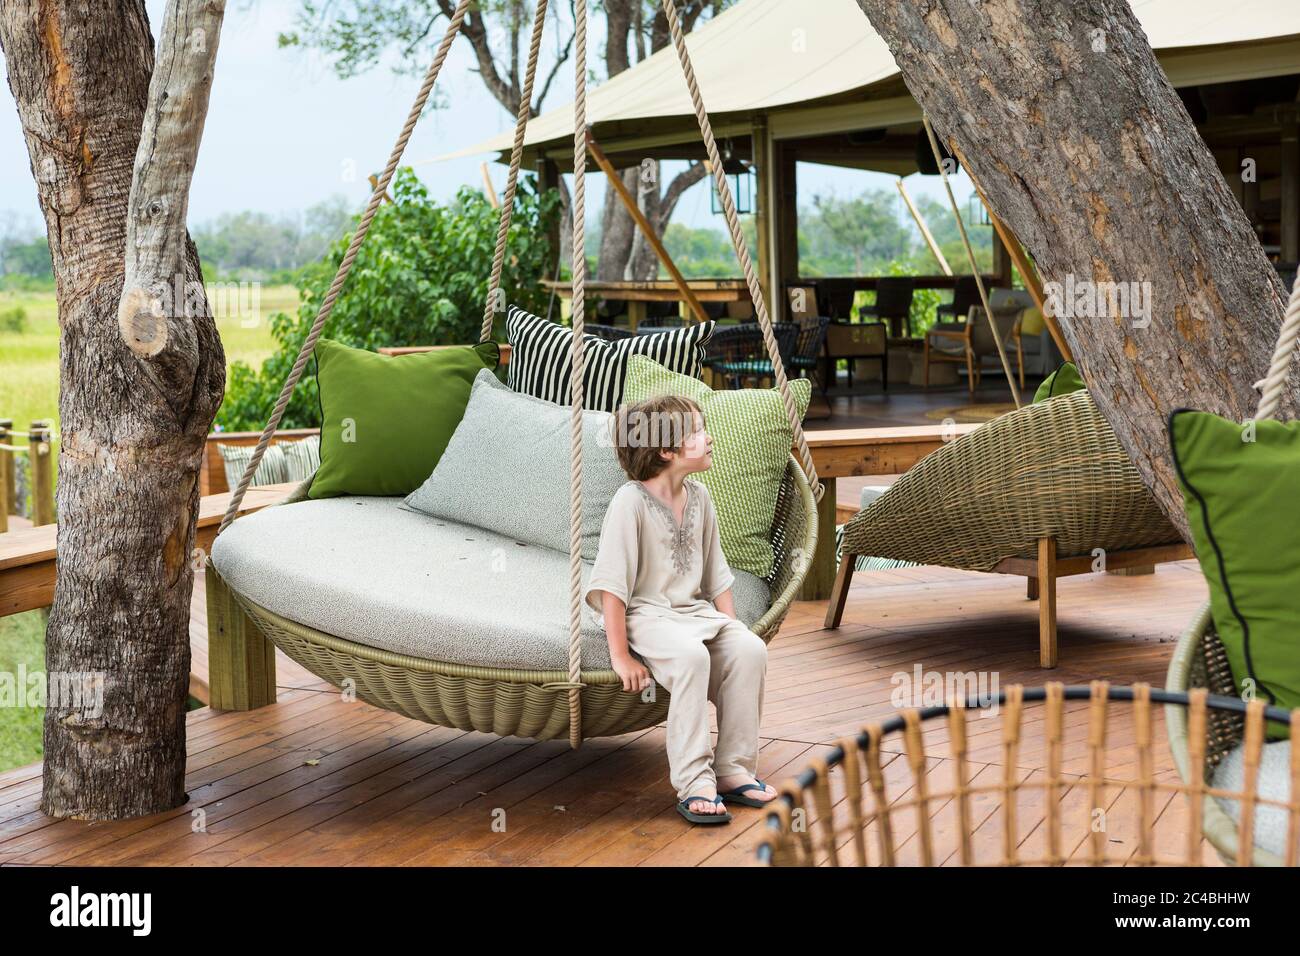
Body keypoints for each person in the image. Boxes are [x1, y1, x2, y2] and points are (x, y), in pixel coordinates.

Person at [584, 393, 776, 825]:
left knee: (750, 651)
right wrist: (620, 655)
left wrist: (732, 629)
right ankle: (695, 783)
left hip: (692, 613)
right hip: (645, 614)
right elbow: (612, 587)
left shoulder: (700, 497)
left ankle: (733, 769)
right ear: (666, 450)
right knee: (691, 658)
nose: (709, 438)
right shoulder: (629, 503)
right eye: (698, 432)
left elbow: (717, 575)